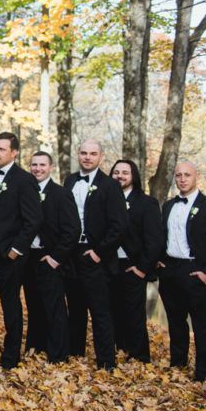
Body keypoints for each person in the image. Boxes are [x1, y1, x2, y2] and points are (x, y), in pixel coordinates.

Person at [157, 161, 206, 381]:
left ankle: (205, 372)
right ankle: (178, 363)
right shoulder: (168, 206)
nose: (182, 179)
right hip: (170, 270)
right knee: (176, 321)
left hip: (195, 270)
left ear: (197, 177)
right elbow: (162, 237)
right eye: (178, 175)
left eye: (187, 175)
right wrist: (159, 261)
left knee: (202, 324)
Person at [63, 140, 127, 370]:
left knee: (100, 311)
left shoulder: (110, 185)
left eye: (92, 154)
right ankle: (75, 353)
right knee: (75, 308)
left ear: (101, 157)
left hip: (95, 255)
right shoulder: (69, 180)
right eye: (83, 153)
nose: (87, 157)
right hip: (72, 254)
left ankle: (106, 361)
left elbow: (119, 225)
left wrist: (99, 252)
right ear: (78, 155)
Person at [0, 132, 42, 368]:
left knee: (11, 306)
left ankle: (11, 355)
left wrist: (16, 249)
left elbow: (34, 219)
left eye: (1, 149)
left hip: (10, 256)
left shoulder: (24, 180)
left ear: (14, 153)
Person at [22, 151, 79, 363]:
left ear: (51, 167)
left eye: (42, 165)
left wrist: (55, 258)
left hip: (50, 257)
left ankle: (58, 354)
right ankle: (36, 345)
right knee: (34, 304)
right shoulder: (26, 191)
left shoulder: (61, 194)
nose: (37, 168)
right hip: (29, 257)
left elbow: (72, 230)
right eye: (34, 164)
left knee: (54, 307)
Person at [109, 159, 163, 363]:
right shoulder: (106, 200)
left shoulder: (146, 203)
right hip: (111, 265)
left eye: (125, 172)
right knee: (114, 311)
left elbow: (155, 240)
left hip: (134, 266)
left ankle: (139, 356)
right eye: (116, 172)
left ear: (133, 177)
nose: (120, 176)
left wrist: (142, 268)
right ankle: (120, 350)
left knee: (134, 314)